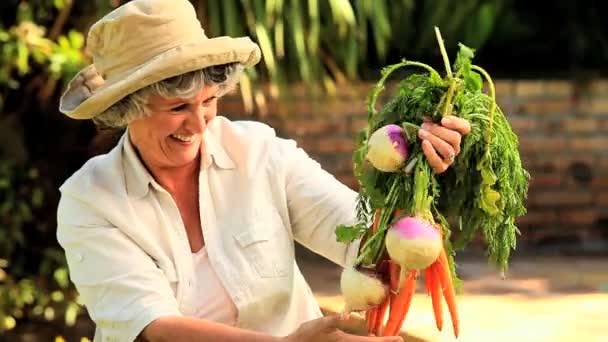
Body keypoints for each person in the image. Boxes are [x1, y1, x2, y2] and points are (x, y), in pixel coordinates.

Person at [56, 0, 471, 341]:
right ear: (129, 109)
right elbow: (154, 326)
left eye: (209, 101)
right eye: (178, 108)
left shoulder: (258, 152)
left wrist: (416, 172)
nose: (200, 125)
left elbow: (359, 236)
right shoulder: (90, 200)